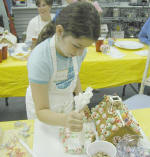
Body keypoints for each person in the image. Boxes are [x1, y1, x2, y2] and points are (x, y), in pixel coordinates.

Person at [26, 2, 100, 132]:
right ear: (60, 31)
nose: (80, 53)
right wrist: (64, 120)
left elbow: (74, 75)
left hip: (65, 105)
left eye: (85, 47)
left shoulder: (78, 50)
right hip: (44, 113)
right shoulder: (40, 58)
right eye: (77, 46)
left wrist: (81, 100)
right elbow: (42, 110)